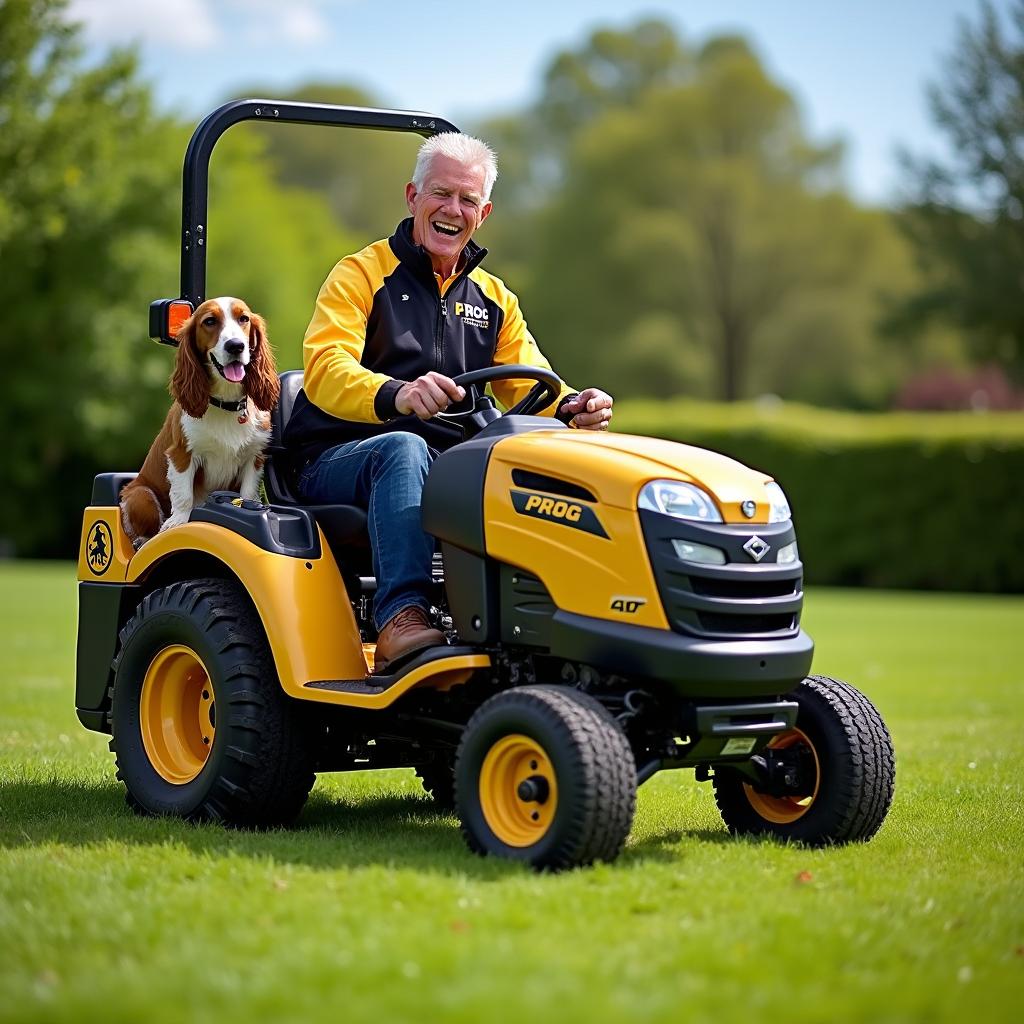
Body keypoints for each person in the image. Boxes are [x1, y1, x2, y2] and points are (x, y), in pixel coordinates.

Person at [283, 132, 613, 673]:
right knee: (404, 449)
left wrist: (574, 408)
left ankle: (548, 620)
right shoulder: (360, 275)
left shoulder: (494, 299)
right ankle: (401, 617)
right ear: (413, 197)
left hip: (444, 464)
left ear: (483, 213)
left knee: (532, 461)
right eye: (440, 194)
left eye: (466, 200)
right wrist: (397, 393)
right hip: (339, 458)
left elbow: (531, 383)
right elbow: (326, 370)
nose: (451, 210)